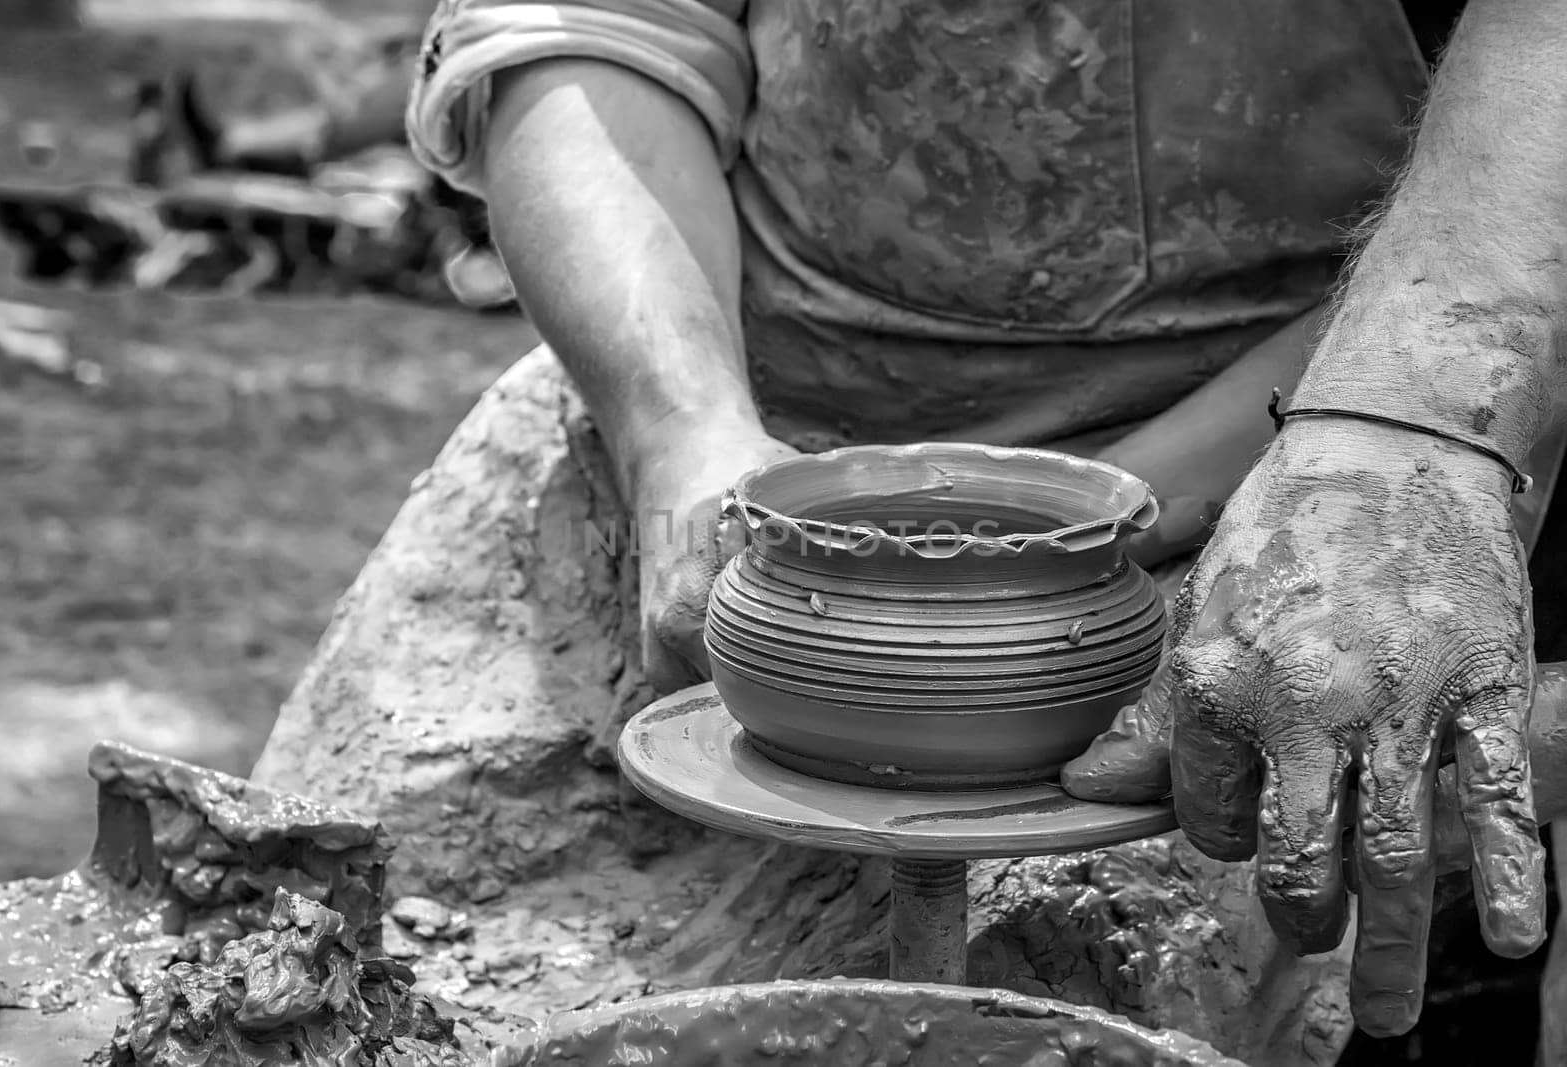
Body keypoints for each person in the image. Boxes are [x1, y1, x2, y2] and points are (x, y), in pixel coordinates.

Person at [403, 0, 1567, 1041]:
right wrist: (682, 429)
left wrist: (1388, 426)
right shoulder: (683, 425)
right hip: (707, 402)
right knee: (401, 952)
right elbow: (590, 31)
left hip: (1333, 426)